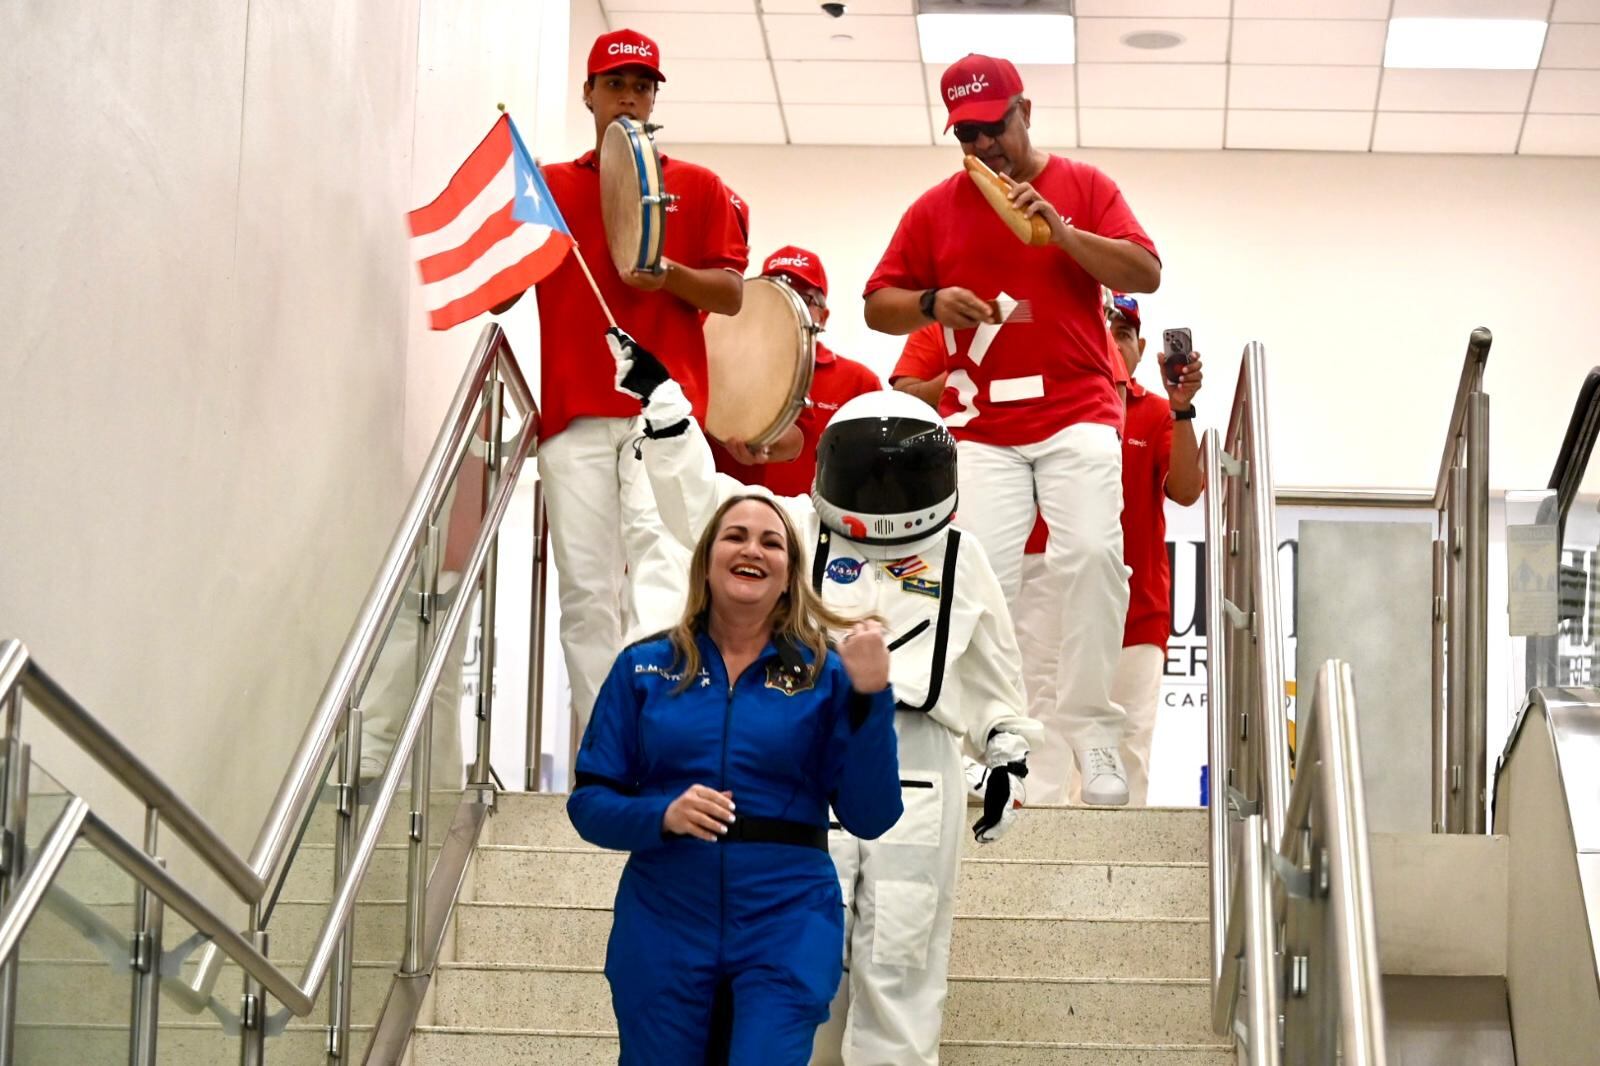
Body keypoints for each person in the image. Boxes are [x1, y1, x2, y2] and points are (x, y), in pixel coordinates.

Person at [606, 330, 1035, 1066]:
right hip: (809, 756)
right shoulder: (799, 533)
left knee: (902, 965)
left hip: (922, 764)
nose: (883, 495)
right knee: (799, 971)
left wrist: (1006, 752)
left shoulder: (962, 560)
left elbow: (995, 674)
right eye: (868, 478)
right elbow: (701, 509)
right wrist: (668, 406)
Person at [866, 53, 1160, 805]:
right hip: (985, 423)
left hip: (1078, 407)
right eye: (966, 133)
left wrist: (1059, 231)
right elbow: (878, 304)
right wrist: (933, 303)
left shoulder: (1085, 186)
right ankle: (990, 736)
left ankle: (1093, 733)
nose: (984, 145)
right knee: (976, 578)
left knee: (1093, 553)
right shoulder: (935, 208)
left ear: (1024, 110)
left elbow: (1143, 273)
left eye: (994, 126)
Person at [568, 494, 903, 1065]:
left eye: (771, 542)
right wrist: (662, 814)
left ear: (790, 575)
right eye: (736, 536)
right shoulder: (642, 667)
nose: (752, 549)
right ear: (706, 561)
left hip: (786, 917)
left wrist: (874, 698)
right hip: (664, 918)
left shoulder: (826, 674)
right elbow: (589, 804)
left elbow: (872, 815)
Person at [506, 28, 750, 732]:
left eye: (644, 86)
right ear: (588, 93)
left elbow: (732, 294)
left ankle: (660, 742)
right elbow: (501, 292)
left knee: (665, 578)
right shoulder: (550, 189)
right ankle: (599, 751)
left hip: (662, 416)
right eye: (616, 84)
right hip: (575, 416)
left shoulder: (700, 188)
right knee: (585, 593)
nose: (631, 97)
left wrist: (665, 273)